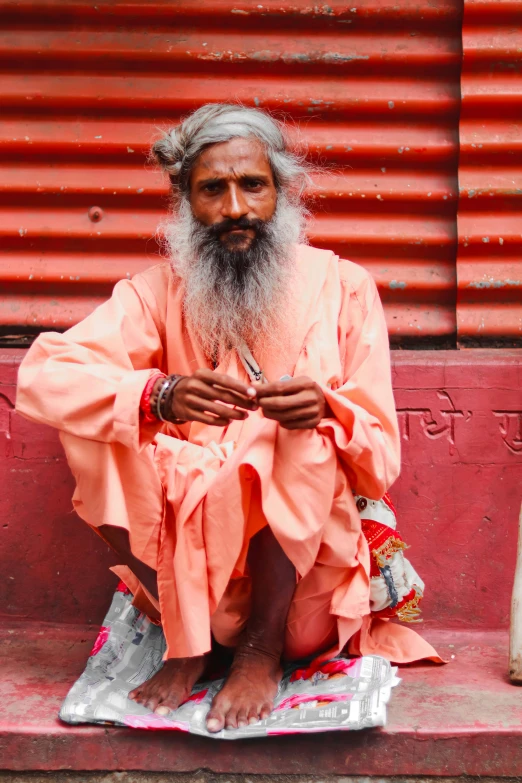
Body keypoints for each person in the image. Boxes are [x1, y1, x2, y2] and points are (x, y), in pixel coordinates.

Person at [16, 103, 439, 734]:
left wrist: (329, 409)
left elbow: (380, 462)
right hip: (186, 577)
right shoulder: (154, 292)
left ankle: (259, 654)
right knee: (102, 420)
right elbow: (45, 376)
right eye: (213, 189)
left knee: (301, 430)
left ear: (282, 192)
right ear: (185, 202)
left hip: (303, 590)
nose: (236, 208)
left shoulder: (345, 287)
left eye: (253, 185)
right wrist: (157, 395)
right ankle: (186, 644)